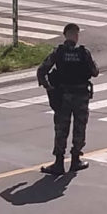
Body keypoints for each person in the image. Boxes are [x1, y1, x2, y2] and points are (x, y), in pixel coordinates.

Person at [37, 23, 99, 175]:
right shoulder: (84, 53)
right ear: (76, 35)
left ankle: (59, 163)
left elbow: (41, 70)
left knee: (61, 129)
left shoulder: (58, 52)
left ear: (65, 35)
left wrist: (49, 87)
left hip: (63, 96)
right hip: (81, 96)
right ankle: (75, 160)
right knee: (79, 127)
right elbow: (95, 71)